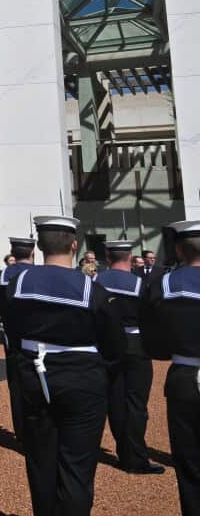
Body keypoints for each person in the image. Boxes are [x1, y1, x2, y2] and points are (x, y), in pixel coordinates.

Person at [4, 216, 125, 516]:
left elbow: (12, 330)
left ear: (40, 247)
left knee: (41, 464)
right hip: (82, 378)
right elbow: (114, 345)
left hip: (34, 374)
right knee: (77, 470)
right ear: (74, 245)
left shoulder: (17, 283)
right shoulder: (93, 290)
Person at [140, 220, 200, 515]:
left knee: (189, 464)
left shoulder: (163, 284)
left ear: (178, 249)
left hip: (184, 375)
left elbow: (152, 339)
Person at [97, 240, 163, 474]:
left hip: (106, 345)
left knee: (114, 400)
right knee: (136, 403)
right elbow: (151, 318)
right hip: (135, 344)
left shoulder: (97, 281)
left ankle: (123, 450)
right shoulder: (139, 284)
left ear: (107, 256)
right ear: (129, 256)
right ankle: (134, 456)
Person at [0, 236, 36, 440]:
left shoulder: (3, 275)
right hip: (37, 336)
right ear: (32, 252)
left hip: (12, 335)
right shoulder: (38, 274)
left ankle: (21, 432)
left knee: (17, 385)